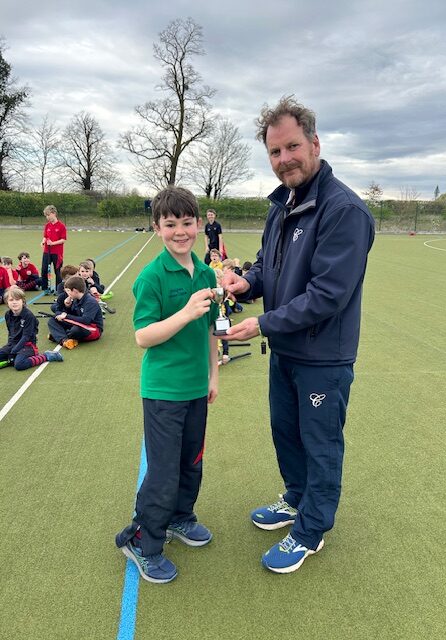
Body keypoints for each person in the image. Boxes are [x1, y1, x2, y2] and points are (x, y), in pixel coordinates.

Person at [222, 96, 375, 574]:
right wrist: (246, 283)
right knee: (285, 433)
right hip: (285, 349)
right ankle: (296, 499)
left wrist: (263, 322)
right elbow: (270, 266)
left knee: (320, 442)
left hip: (322, 358)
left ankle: (311, 530)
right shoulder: (282, 204)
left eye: (292, 147)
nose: (283, 158)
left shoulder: (343, 210)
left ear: (314, 143)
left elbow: (327, 294)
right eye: (274, 151)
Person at [115, 185, 219, 585]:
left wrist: (213, 374)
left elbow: (211, 330)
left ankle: (180, 517)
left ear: (198, 225)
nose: (181, 231)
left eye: (187, 223)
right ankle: (143, 541)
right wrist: (186, 311)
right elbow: (143, 336)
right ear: (157, 227)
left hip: (196, 386)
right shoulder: (152, 276)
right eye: (171, 224)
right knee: (163, 471)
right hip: (162, 390)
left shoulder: (207, 272)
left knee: (191, 461)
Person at [0, 285, 63, 370]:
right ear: (7, 302)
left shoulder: (28, 315)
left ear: (23, 301)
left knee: (19, 365)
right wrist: (9, 347)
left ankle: (46, 356)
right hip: (14, 344)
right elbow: (11, 333)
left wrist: (13, 352)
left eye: (17, 299)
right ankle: (12, 359)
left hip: (28, 345)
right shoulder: (8, 314)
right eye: (11, 300)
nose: (14, 302)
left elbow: (26, 336)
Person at [47, 275, 103, 349]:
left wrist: (66, 316)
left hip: (92, 328)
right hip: (79, 324)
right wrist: (68, 307)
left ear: (75, 291)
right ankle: (64, 340)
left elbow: (86, 320)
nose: (68, 294)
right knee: (52, 320)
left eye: (69, 291)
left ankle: (58, 336)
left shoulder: (90, 302)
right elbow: (74, 314)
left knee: (75, 330)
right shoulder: (76, 299)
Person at [41, 204, 67, 292]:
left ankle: (58, 289)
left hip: (57, 252)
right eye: (46, 216)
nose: (47, 217)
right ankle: (45, 288)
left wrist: (53, 243)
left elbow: (63, 239)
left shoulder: (61, 226)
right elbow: (45, 236)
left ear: (54, 213)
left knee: (58, 271)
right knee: (44, 269)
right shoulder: (47, 226)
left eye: (48, 215)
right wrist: (43, 241)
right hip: (47, 251)